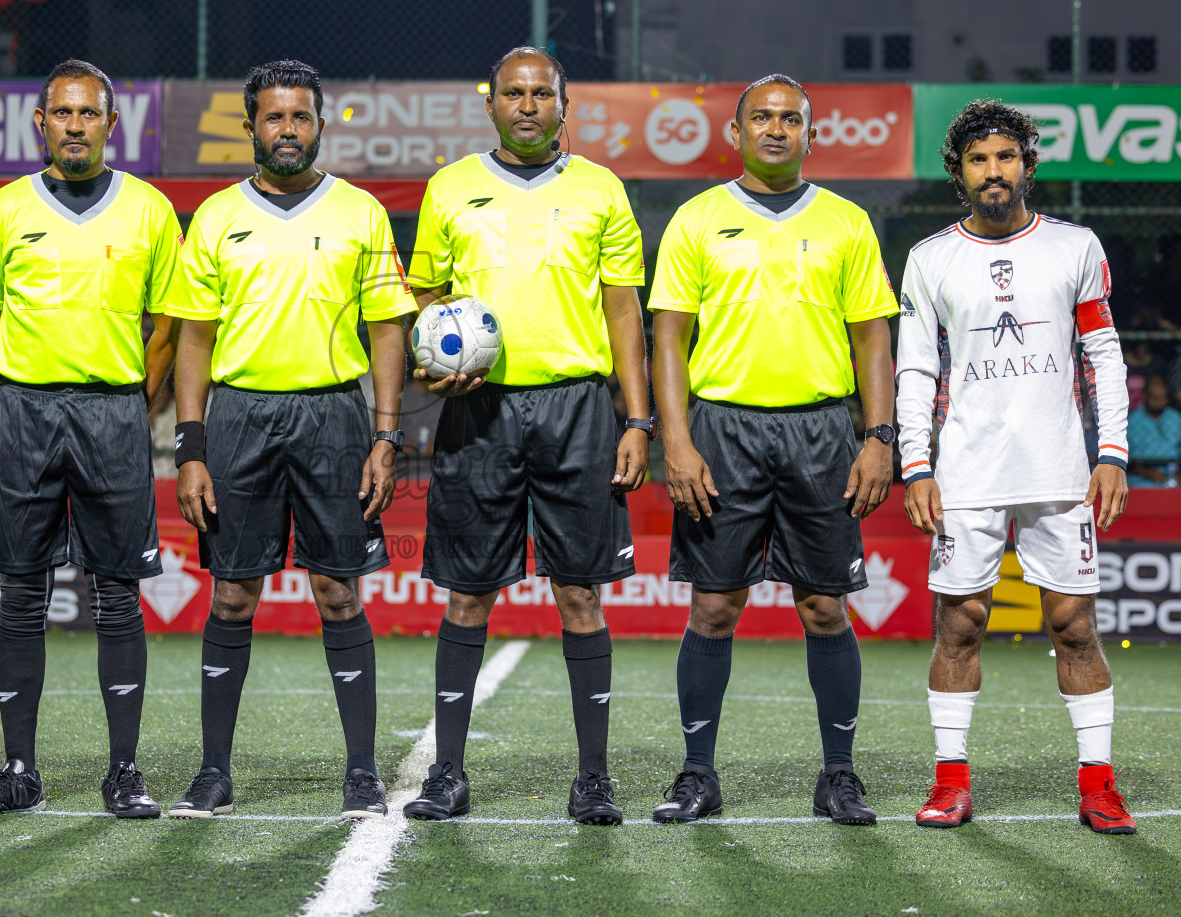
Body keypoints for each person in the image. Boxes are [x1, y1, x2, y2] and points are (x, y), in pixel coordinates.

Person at [400, 47, 650, 826]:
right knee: (469, 594)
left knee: (580, 592)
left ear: (564, 105)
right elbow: (427, 307)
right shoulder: (450, 188)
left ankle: (594, 779)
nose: (529, 104)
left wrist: (636, 418)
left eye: (543, 92)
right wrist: (428, 373)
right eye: (515, 92)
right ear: (493, 104)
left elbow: (623, 313)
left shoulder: (601, 189)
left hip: (578, 408)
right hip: (479, 412)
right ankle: (447, 774)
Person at [166, 60, 414, 820]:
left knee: (338, 592)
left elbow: (386, 328)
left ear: (320, 124)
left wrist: (385, 434)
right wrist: (191, 447)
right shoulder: (213, 217)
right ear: (250, 127)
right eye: (273, 118)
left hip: (335, 418)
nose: (287, 130)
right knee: (233, 594)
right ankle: (213, 771)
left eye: (300, 117)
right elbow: (193, 341)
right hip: (239, 417)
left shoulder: (361, 213)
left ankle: (363, 772)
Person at [648, 75, 897, 827]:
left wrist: (879, 437)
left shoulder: (848, 222)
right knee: (715, 607)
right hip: (722, 429)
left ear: (811, 134)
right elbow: (668, 338)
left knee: (825, 608)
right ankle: (697, 775)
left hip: (822, 432)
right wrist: (678, 442)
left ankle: (840, 776)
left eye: (792, 118)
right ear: (737, 132)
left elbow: (872, 337)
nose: (777, 129)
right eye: (763, 117)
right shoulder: (697, 219)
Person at [0, 59, 181, 819]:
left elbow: (169, 325)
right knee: (21, 593)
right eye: (62, 113)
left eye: (90, 113)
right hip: (24, 416)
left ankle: (124, 772)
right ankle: (19, 771)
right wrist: (12, 389)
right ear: (39, 123)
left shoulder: (149, 210)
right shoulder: (3, 209)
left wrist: (134, 404)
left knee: (116, 596)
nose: (75, 125)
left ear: (113, 125)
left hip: (113, 414)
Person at [897, 100, 1135, 834]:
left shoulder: (1075, 246)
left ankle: (1098, 786)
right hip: (965, 474)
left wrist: (1112, 454)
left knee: (1074, 628)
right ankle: (951, 784)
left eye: (1006, 157)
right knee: (959, 627)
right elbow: (915, 369)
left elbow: (1103, 356)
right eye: (978, 159)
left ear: (1027, 167)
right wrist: (917, 464)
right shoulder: (930, 258)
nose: (993, 171)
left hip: (1059, 471)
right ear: (959, 173)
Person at [1128, 374, 1181, 487]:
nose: (1161, 403)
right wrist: (1147, 472)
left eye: (1164, 398)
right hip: (1139, 483)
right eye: (1156, 399)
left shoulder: (1176, 418)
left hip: (1173, 481)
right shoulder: (1131, 422)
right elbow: (1124, 462)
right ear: (1145, 395)